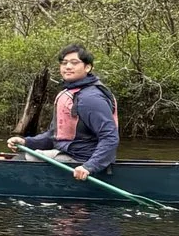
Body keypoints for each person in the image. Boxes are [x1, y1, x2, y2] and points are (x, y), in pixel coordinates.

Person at [21, 44, 118, 181]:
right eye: (64, 63)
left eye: (74, 63)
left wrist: (89, 166)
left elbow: (109, 137)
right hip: (68, 152)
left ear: (88, 67)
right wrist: (26, 142)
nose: (67, 67)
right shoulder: (71, 93)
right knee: (23, 153)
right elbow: (54, 136)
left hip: (82, 160)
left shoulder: (90, 98)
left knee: (25, 158)